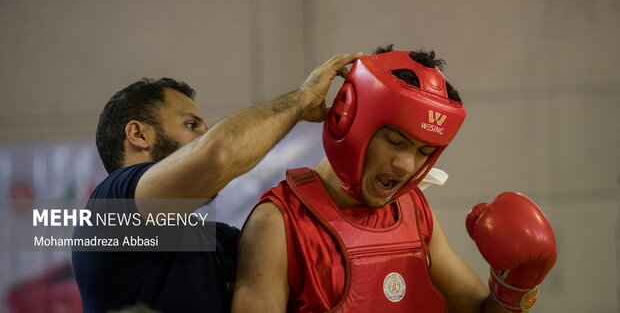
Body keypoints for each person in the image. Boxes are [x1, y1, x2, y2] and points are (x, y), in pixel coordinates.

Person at [231, 46, 557, 313]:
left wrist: (515, 288)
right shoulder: (278, 224)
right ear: (348, 120)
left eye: (423, 150)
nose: (406, 165)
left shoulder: (413, 210)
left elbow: (478, 310)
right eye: (396, 141)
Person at [71, 52, 362, 313]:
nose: (202, 137)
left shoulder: (213, 240)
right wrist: (302, 99)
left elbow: (303, 251)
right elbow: (218, 155)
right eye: (191, 125)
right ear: (139, 134)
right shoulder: (110, 209)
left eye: (205, 130)